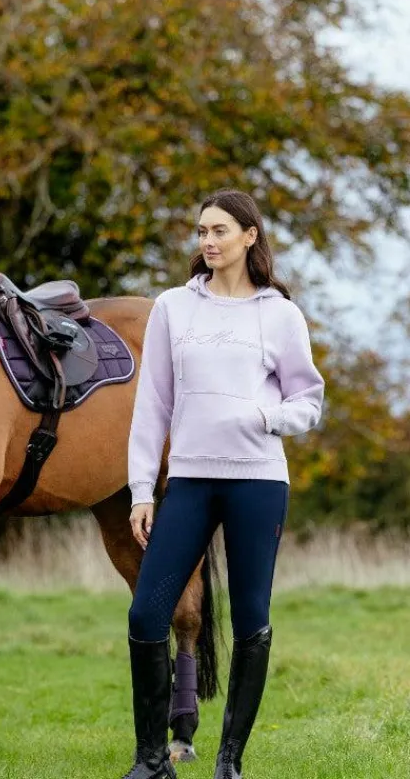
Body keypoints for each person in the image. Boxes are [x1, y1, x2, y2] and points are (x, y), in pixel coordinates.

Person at [123, 189, 325, 779]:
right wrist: (140, 490)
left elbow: (308, 401)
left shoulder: (280, 314)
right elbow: (151, 406)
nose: (207, 241)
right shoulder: (172, 308)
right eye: (201, 231)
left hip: (257, 482)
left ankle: (228, 762)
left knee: (250, 618)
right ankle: (151, 760)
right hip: (188, 478)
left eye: (219, 230)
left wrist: (266, 418)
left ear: (249, 237)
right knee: (145, 616)